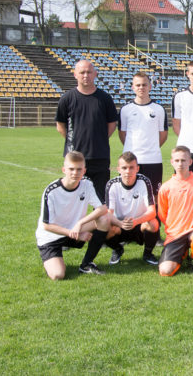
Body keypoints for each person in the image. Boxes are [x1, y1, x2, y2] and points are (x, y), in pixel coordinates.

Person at [35, 151, 110, 279]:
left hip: (74, 228)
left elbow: (102, 208)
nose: (75, 173)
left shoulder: (87, 184)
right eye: (71, 169)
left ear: (84, 170)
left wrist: (80, 224)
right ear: (64, 170)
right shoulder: (51, 191)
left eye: (79, 169)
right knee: (58, 275)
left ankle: (86, 264)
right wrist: (74, 233)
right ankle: (53, 260)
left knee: (104, 219)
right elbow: (47, 226)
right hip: (51, 236)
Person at [55, 59, 119, 202]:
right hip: (75, 158)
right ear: (75, 74)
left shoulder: (105, 98)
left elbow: (111, 124)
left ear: (95, 74)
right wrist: (74, 141)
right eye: (82, 72)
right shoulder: (67, 98)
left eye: (89, 72)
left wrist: (99, 139)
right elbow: (60, 126)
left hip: (100, 157)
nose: (86, 75)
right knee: (73, 200)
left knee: (101, 201)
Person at [119, 72, 168, 246]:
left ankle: (155, 234)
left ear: (150, 86)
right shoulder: (125, 110)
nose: (141, 88)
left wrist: (151, 148)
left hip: (153, 160)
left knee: (154, 197)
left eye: (144, 84)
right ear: (133, 87)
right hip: (132, 161)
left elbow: (163, 134)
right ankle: (126, 234)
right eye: (138, 85)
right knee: (128, 196)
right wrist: (133, 152)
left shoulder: (158, 109)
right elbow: (123, 134)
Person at [157, 146, 193, 276]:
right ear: (172, 162)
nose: (180, 164)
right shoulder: (166, 188)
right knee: (165, 271)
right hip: (176, 233)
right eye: (177, 160)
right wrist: (174, 226)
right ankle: (183, 252)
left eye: (183, 160)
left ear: (190, 162)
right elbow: (162, 213)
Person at [104, 152, 159, 266]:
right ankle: (117, 249)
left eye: (131, 167)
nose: (128, 171)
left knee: (153, 223)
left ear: (137, 168)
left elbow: (152, 211)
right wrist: (120, 223)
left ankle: (148, 254)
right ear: (118, 169)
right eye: (124, 168)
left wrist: (135, 221)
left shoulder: (144, 181)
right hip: (120, 225)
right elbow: (109, 214)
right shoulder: (112, 184)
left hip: (139, 223)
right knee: (104, 226)